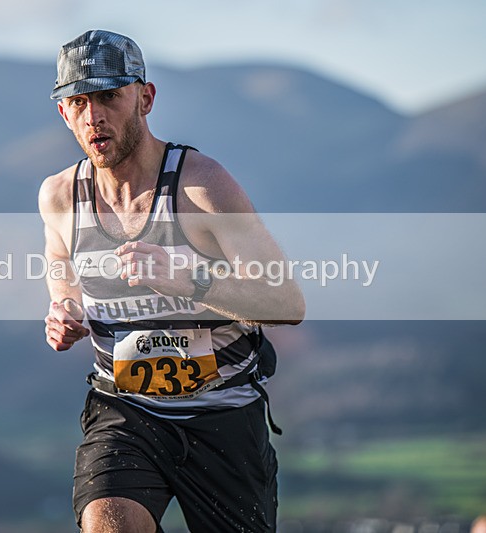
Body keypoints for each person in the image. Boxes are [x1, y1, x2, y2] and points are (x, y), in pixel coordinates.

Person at [39, 29, 305, 533]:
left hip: (223, 416)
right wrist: (65, 311)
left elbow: (286, 300)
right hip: (125, 411)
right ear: (64, 113)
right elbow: (63, 275)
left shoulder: (202, 186)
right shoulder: (59, 197)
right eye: (79, 101)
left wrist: (190, 280)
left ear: (145, 98)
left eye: (109, 97)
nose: (94, 116)